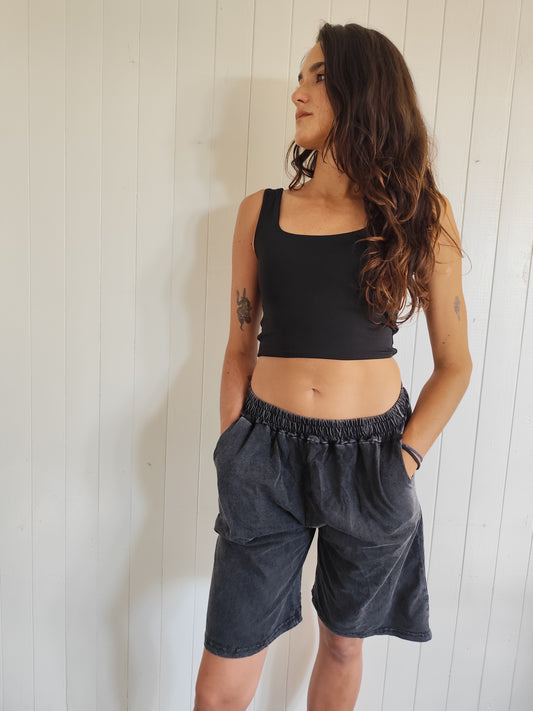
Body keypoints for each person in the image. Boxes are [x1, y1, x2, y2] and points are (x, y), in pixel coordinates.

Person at [194, 21, 472, 711]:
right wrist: (233, 447)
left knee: (344, 644)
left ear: (363, 89)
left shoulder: (421, 214)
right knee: (224, 670)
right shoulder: (260, 212)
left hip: (374, 459)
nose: (297, 92)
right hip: (264, 456)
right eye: (300, 77)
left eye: (317, 77)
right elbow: (238, 347)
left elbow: (455, 363)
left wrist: (401, 461)